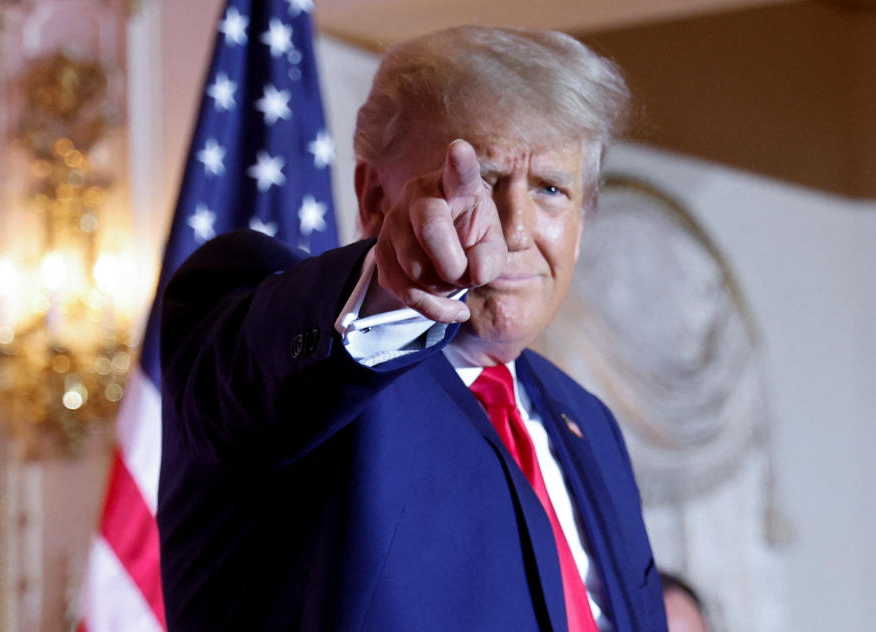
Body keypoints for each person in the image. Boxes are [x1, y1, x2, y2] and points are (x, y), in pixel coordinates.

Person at [158, 25, 667, 631]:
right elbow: (253, 375)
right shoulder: (307, 352)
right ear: (375, 195)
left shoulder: (588, 423)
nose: (516, 228)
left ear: (582, 225)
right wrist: (392, 289)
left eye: (551, 189)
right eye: (478, 181)